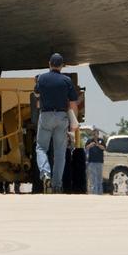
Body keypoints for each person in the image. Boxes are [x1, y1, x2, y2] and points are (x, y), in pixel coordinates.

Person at [34, 53, 79, 194]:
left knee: (41, 147)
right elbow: (73, 103)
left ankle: (45, 173)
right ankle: (57, 185)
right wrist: (74, 124)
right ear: (62, 65)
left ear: (49, 64)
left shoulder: (41, 78)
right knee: (60, 153)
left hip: (46, 116)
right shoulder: (66, 80)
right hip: (61, 117)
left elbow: (36, 94)